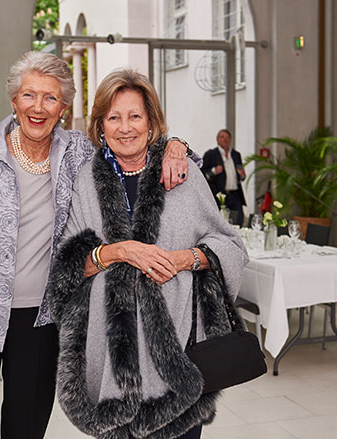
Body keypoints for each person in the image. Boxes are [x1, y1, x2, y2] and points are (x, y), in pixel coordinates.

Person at [0, 52, 192, 439]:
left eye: (50, 98)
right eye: (29, 95)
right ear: (14, 101)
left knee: (26, 429)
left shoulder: (78, 154)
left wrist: (175, 144)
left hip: (42, 321)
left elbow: (131, 140)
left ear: (63, 107)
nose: (38, 107)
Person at [45, 69, 247, 439]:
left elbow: (231, 247)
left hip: (179, 356)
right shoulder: (87, 181)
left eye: (135, 116)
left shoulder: (183, 174)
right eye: (114, 117)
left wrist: (189, 258)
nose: (125, 127)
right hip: (112, 361)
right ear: (100, 125)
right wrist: (116, 251)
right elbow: (67, 267)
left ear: (151, 123)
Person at [201, 129, 247, 225]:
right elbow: (202, 174)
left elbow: (241, 176)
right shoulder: (211, 154)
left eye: (227, 137)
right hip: (219, 195)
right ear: (217, 140)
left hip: (235, 195)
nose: (225, 140)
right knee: (220, 224)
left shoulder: (236, 155)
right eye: (222, 137)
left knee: (238, 223)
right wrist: (214, 171)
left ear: (230, 139)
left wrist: (242, 175)